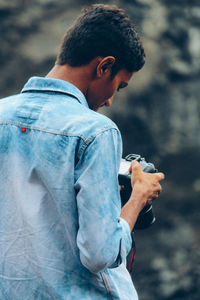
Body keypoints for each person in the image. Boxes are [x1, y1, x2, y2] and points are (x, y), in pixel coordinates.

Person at [0, 4, 164, 300]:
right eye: (119, 85)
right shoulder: (96, 132)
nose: (111, 100)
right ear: (104, 66)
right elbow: (99, 254)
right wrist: (138, 196)